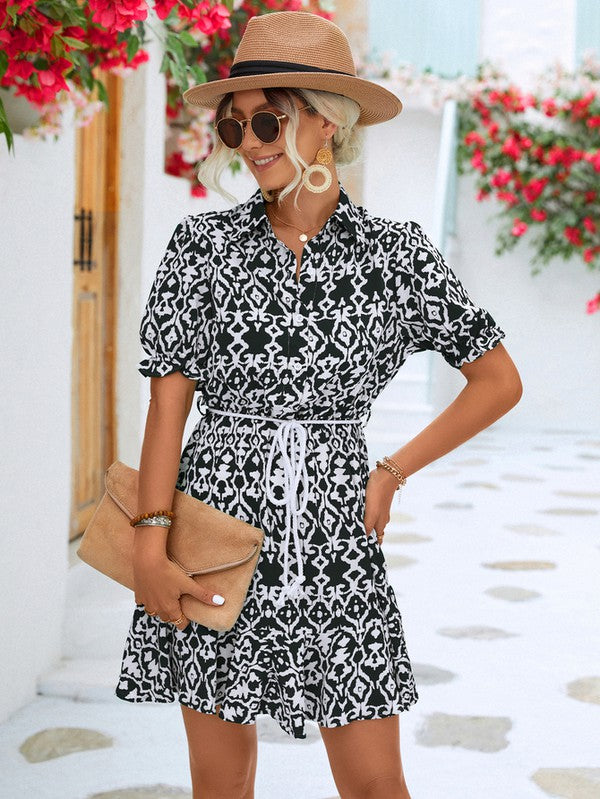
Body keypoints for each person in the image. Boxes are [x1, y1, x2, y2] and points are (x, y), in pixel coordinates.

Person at [115, 10, 522, 799]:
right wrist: (148, 544)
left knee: (375, 785)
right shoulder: (202, 247)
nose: (252, 139)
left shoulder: (396, 254)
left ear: (326, 122)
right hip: (212, 535)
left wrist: (392, 471)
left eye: (270, 116)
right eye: (236, 126)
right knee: (221, 783)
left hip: (337, 542)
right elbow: (168, 406)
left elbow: (498, 380)